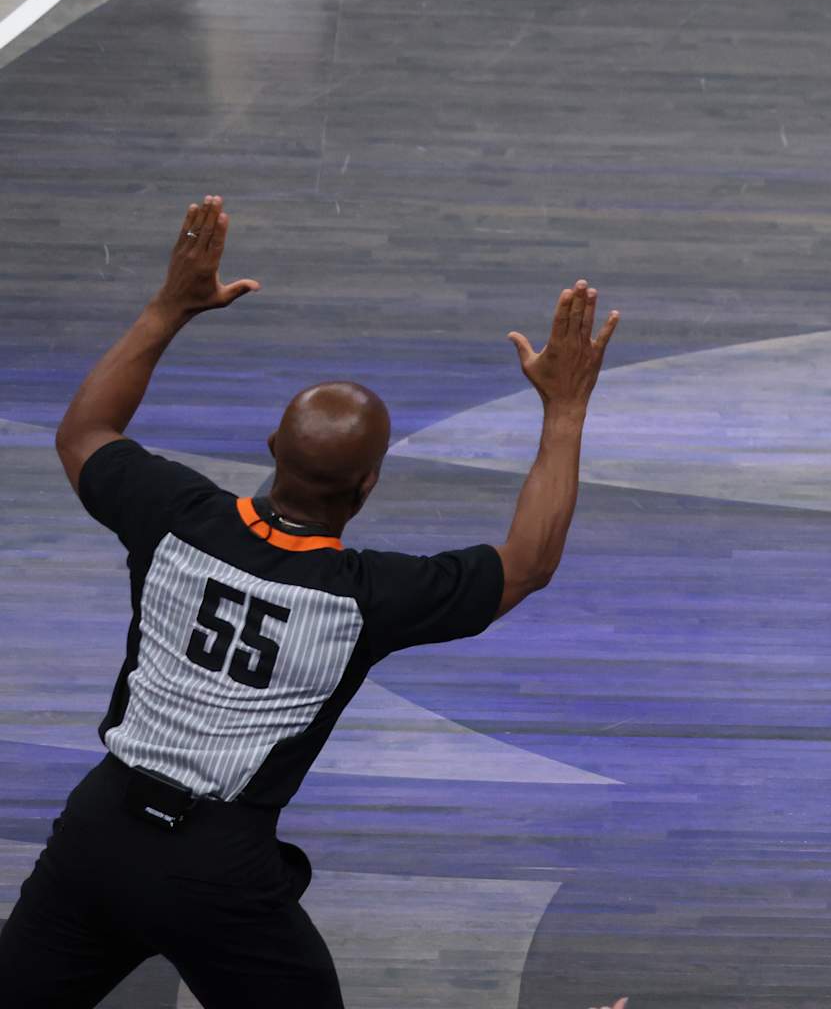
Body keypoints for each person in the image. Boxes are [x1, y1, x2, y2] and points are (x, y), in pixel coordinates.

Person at [0, 196, 621, 1006]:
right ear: (368, 486)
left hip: (100, 830)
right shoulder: (365, 598)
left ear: (270, 452)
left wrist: (171, 304)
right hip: (218, 870)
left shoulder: (174, 518)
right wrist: (566, 408)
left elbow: (84, 433)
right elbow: (528, 563)